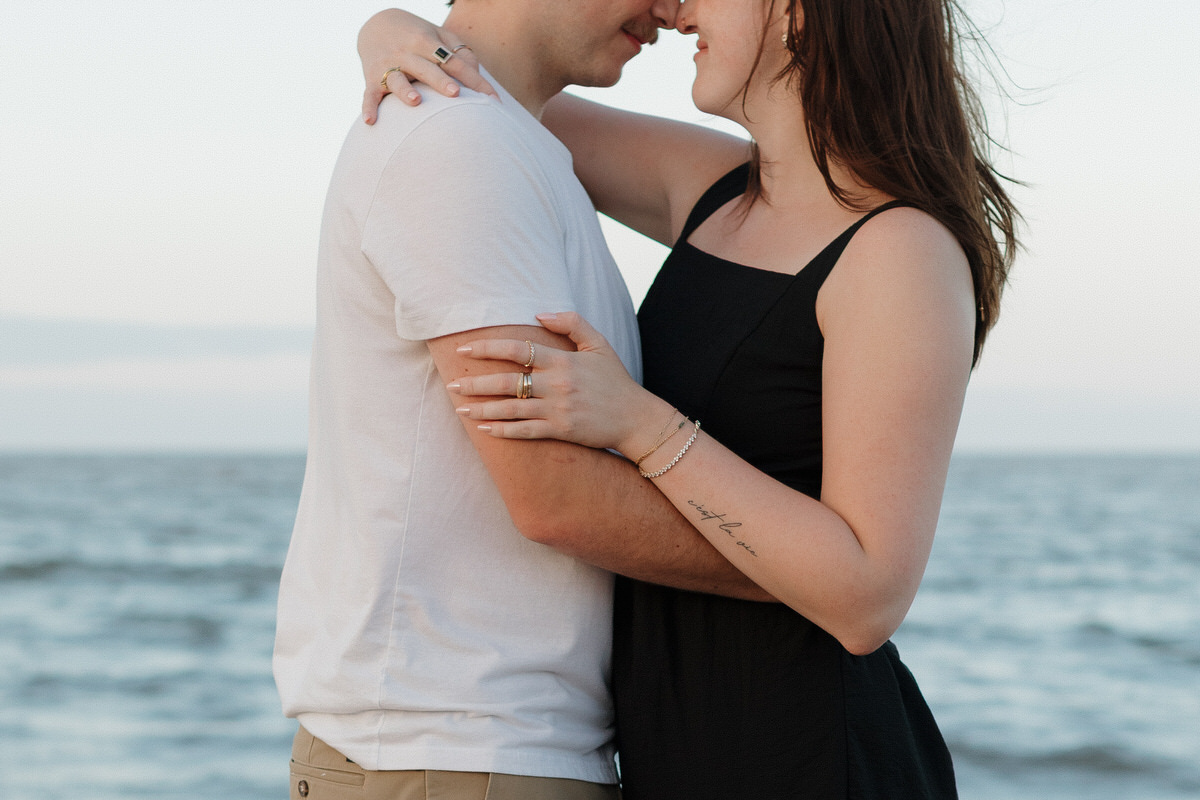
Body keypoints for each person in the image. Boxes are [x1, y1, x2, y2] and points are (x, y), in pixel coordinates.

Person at [356, 0, 1020, 797]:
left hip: (807, 753)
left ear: (800, 16)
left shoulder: (901, 250)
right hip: (672, 743)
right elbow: (493, 84)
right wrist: (388, 30)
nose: (678, 9)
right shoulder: (718, 190)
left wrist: (642, 426)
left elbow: (871, 594)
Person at [273, 2, 792, 799]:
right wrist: (821, 571)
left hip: (478, 748)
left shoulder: (500, 133)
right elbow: (556, 495)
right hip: (456, 748)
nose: (668, 4)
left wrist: (391, 27)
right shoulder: (458, 141)